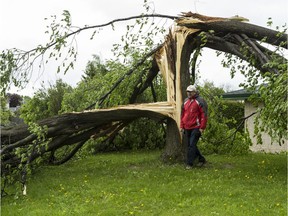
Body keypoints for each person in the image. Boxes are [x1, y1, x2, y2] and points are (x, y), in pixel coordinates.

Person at [180, 85, 208, 168]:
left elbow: (204, 115)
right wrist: (182, 126)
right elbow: (183, 114)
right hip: (187, 127)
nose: (188, 93)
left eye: (190, 91)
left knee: (191, 145)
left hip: (196, 127)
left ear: (194, 92)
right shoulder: (185, 101)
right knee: (191, 145)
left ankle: (189, 164)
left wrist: (202, 127)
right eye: (187, 91)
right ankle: (201, 159)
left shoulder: (200, 101)